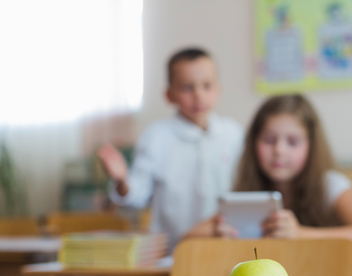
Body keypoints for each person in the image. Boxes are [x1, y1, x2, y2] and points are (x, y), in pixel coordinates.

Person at [186, 94, 352, 254]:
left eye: (293, 142)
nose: (279, 150)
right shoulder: (247, 192)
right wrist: (215, 232)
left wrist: (300, 234)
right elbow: (187, 241)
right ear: (253, 143)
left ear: (312, 146)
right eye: (269, 140)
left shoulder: (331, 185)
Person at [97, 48, 244, 250]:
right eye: (186, 88)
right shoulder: (156, 137)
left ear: (218, 89)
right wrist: (122, 179)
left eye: (207, 86)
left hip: (226, 250)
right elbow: (136, 197)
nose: (198, 95)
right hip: (171, 255)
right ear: (169, 94)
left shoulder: (234, 134)